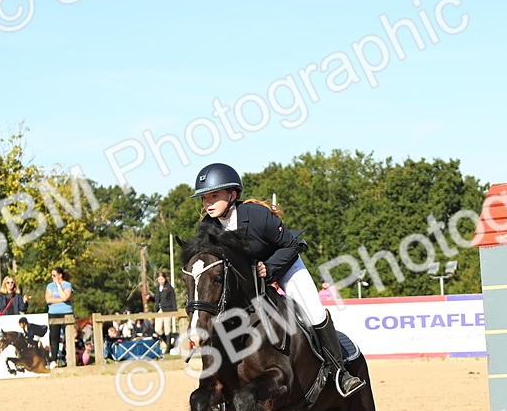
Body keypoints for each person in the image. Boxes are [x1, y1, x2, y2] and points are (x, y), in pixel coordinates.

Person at [190, 162, 364, 396]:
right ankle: (217, 386)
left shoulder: (257, 215)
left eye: (214, 196)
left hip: (284, 266)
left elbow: (293, 244)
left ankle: (340, 372)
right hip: (248, 282)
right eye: (204, 198)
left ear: (233, 194)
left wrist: (269, 268)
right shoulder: (208, 226)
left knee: (313, 311)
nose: (208, 203)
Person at [45, 267, 74, 368]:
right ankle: (53, 359)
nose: (52, 277)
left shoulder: (67, 285)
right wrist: (62, 299)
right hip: (53, 313)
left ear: (60, 275)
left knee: (69, 337)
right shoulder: (49, 286)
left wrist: (58, 285)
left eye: (54, 275)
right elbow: (48, 300)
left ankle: (68, 358)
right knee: (54, 336)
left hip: (66, 313)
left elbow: (66, 296)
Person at [153, 271, 178, 353]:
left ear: (165, 279)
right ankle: (168, 342)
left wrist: (175, 312)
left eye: (162, 279)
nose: (161, 281)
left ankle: (168, 347)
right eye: (159, 279)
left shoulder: (169, 288)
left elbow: (173, 300)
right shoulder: (157, 288)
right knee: (157, 329)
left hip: (168, 310)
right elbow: (156, 299)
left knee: (167, 328)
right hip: (159, 310)